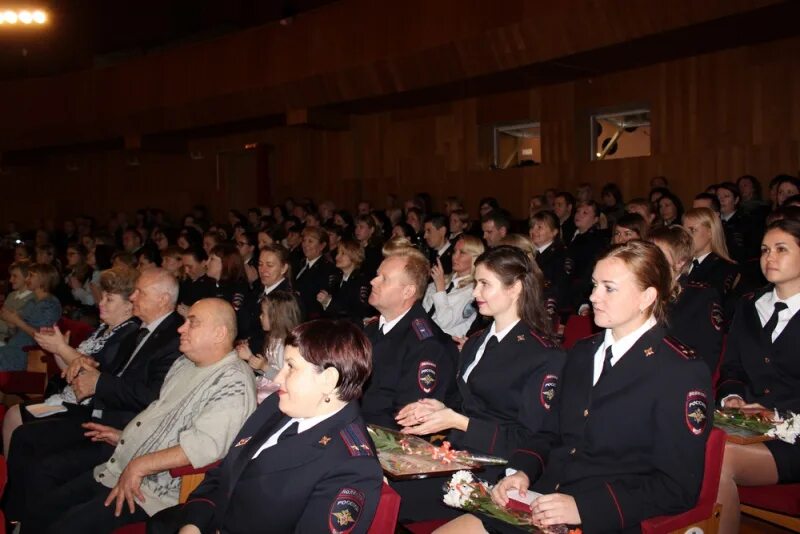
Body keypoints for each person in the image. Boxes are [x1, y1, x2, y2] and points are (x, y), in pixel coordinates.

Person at [437, 241, 711, 534]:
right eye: (594, 285)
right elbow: (549, 432)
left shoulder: (680, 370)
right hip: (544, 498)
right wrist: (522, 472)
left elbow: (677, 486)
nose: (593, 296)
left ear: (646, 297)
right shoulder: (582, 353)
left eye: (609, 288)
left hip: (604, 515)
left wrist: (583, 507)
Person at [24, 298, 257, 534]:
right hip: (121, 467)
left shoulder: (233, 382)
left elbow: (204, 446)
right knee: (43, 509)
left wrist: (140, 465)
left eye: (192, 323)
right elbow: (163, 417)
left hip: (153, 491)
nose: (181, 328)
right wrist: (125, 435)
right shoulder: (184, 363)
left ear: (219, 333)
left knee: (63, 527)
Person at [147, 319, 384, 534]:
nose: (278, 379)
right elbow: (226, 472)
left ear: (328, 380)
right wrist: (194, 524)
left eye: (290, 367)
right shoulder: (277, 405)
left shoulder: (353, 466)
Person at [396, 245, 566, 521]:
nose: (475, 294)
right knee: (374, 478)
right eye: (476, 284)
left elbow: (532, 439)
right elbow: (468, 402)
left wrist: (457, 421)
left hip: (499, 470)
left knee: (387, 496)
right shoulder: (477, 341)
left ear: (516, 288)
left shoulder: (544, 355)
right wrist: (439, 408)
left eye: (485, 284)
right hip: (459, 454)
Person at [4, 269, 183, 524]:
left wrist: (97, 383)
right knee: (23, 436)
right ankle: (13, 519)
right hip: (99, 412)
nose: (133, 297)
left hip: (121, 429)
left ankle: (29, 522)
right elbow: (111, 372)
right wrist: (85, 369)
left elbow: (153, 396)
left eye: (140, 292)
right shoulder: (142, 330)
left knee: (42, 467)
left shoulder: (174, 337)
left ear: (163, 300)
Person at [716, 218, 800, 532]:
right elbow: (732, 368)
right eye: (765, 250)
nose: (769, 257)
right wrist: (734, 398)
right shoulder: (750, 305)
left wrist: (778, 416)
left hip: (796, 434)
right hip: (748, 424)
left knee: (717, 458)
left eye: (781, 249)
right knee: (685, 436)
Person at [2, 266, 141, 454]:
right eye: (103, 296)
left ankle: (15, 475)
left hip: (86, 408)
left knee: (16, 419)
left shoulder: (128, 334)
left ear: (128, 305)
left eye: (109, 299)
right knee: (13, 416)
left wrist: (62, 348)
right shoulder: (103, 328)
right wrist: (58, 350)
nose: (101, 302)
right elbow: (70, 370)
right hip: (68, 396)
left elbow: (93, 371)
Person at [361, 246, 457, 428]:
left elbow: (406, 419)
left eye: (384, 279)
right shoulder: (373, 329)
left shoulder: (426, 345)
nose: (373, 282)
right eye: (377, 275)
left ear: (408, 292)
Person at [650, 226, 724, 373]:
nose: (648, 260)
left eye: (658, 255)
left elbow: (706, 359)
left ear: (680, 262)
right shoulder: (639, 292)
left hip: (674, 380)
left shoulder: (700, 297)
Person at [236, 290, 303, 402]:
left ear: (276, 317)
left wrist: (263, 366)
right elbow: (268, 371)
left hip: (279, 390)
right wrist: (252, 360)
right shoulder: (273, 338)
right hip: (269, 383)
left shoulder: (287, 347)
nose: (260, 317)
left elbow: (287, 378)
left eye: (263, 313)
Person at [0, 263, 62, 371]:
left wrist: (17, 321)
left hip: (28, 353)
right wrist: (12, 324)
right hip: (13, 346)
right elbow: (17, 331)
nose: (27, 279)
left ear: (42, 280)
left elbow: (43, 337)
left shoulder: (50, 304)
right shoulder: (32, 301)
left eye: (31, 276)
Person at [422, 235, 484, 337]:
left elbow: (445, 322)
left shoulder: (473, 291)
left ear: (475, 258)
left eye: (462, 253)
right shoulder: (442, 280)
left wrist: (440, 289)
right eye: (455, 251)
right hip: (423, 336)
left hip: (445, 345)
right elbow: (424, 312)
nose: (455, 256)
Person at [683, 207, 740, 299]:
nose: (685, 237)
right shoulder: (680, 264)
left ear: (711, 232)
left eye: (692, 230)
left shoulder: (725, 268)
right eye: (684, 231)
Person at [317, 239, 374, 324]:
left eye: (343, 254)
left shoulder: (361, 282)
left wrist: (328, 302)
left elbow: (357, 315)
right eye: (338, 253)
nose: (337, 257)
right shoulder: (335, 278)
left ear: (354, 256)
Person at [566, 200, 609, 312]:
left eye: (585, 213)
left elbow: (587, 272)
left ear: (595, 219)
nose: (579, 215)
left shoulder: (595, 241)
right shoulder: (573, 234)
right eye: (578, 211)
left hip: (581, 292)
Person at [205, 243, 252, 340]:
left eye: (212, 259)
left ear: (225, 263)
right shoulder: (209, 285)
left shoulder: (238, 287)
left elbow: (236, 322)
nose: (206, 263)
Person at [293, 226, 339, 320]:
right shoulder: (300, 264)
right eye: (304, 240)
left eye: (310, 241)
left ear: (322, 245)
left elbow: (321, 299)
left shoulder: (327, 268)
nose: (305, 245)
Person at [529, 211, 569, 316]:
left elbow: (558, 288)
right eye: (532, 227)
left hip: (546, 308)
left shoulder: (560, 255)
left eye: (539, 227)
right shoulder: (528, 252)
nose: (533, 231)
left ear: (554, 232)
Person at [0, 261, 35, 343]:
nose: (10, 280)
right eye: (11, 276)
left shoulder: (32, 300)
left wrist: (8, 322)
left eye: (15, 276)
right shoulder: (12, 295)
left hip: (9, 342)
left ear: (27, 278)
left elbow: (14, 330)